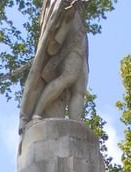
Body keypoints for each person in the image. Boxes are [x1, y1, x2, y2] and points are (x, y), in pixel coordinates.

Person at [19, 0, 88, 132]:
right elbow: (55, 12)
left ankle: (76, 125)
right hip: (68, 34)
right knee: (69, 77)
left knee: (79, 88)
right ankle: (36, 113)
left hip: (80, 34)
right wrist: (67, 11)